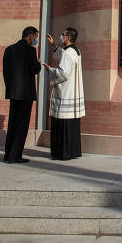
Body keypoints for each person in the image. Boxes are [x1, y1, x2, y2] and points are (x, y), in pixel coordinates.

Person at [2, 26, 41, 163]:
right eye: (35, 37)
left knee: (12, 123)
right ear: (30, 36)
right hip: (25, 93)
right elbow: (34, 69)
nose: (35, 40)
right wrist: (39, 63)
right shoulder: (30, 50)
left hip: (13, 92)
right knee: (22, 125)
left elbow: (5, 71)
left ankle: (8, 154)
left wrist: (10, 87)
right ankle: (15, 156)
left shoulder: (9, 49)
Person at [44, 27, 84, 160]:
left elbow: (63, 73)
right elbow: (62, 55)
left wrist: (50, 70)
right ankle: (72, 151)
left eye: (63, 34)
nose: (61, 36)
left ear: (68, 37)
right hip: (72, 92)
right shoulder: (74, 51)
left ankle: (63, 153)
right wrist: (54, 45)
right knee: (70, 125)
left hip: (66, 93)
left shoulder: (68, 53)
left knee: (63, 123)